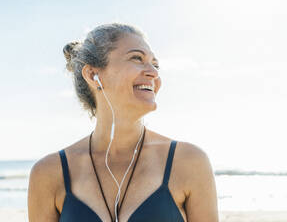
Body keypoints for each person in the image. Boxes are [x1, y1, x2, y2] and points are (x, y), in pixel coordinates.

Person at [27, 23, 219, 221]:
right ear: (93, 75)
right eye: (137, 58)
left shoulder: (189, 162)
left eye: (156, 64)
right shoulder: (49, 173)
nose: (153, 72)